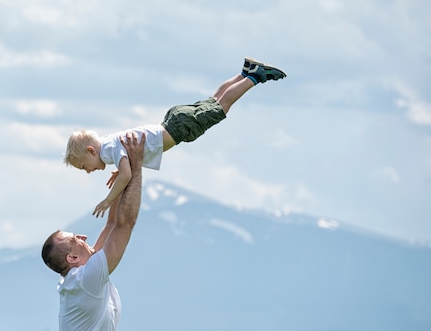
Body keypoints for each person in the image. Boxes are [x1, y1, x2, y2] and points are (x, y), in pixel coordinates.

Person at [64, 57, 286, 217]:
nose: (89, 171)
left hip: (178, 129)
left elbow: (126, 176)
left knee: (221, 107)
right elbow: (126, 161)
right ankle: (245, 72)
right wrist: (119, 168)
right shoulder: (109, 144)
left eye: (85, 166)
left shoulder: (108, 151)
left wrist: (107, 200)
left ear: (91, 151)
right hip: (173, 120)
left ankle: (255, 77)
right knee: (213, 100)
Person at [41, 132, 145, 331]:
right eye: (76, 239)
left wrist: (123, 174)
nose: (84, 237)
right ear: (72, 258)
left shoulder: (79, 278)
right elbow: (125, 224)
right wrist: (137, 166)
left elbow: (111, 225)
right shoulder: (86, 279)